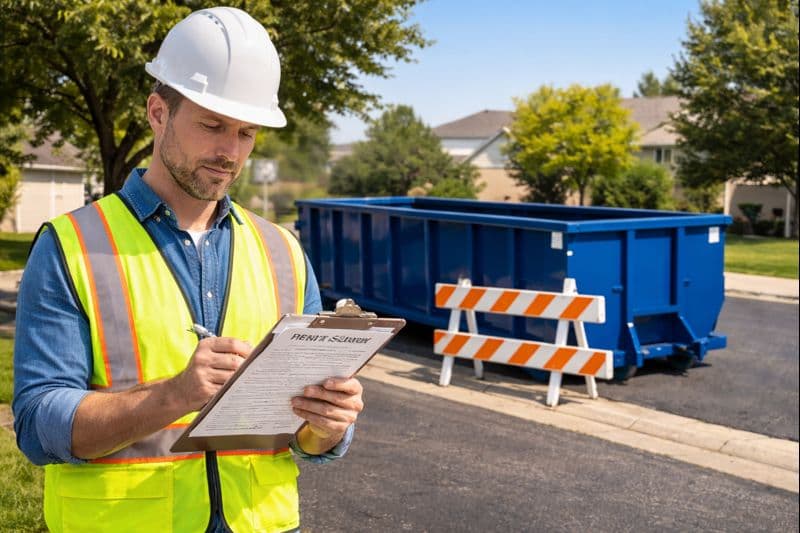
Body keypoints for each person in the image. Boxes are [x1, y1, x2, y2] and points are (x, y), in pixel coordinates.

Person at [12, 7, 363, 532]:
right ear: (158, 113)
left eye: (246, 133)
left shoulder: (283, 251)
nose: (229, 152)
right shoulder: (72, 246)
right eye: (212, 125)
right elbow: (39, 428)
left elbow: (305, 441)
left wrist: (329, 427)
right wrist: (174, 395)